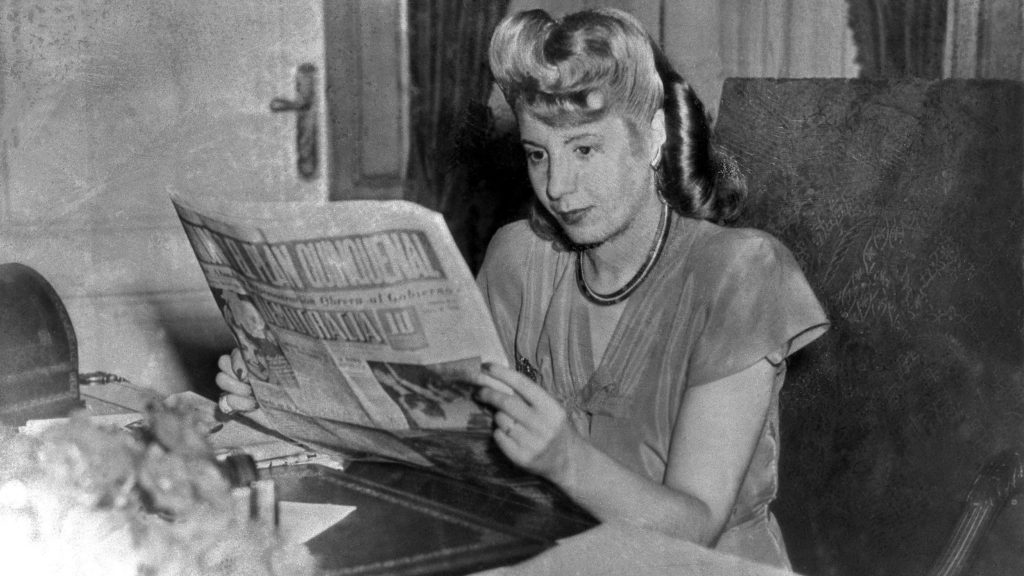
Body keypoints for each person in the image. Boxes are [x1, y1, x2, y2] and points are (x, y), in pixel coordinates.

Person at [215, 7, 827, 568]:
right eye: (538, 154)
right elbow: (446, 440)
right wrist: (289, 405)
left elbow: (695, 527)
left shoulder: (742, 273)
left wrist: (565, 458)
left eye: (584, 148)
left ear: (655, 134)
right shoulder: (519, 257)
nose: (557, 186)